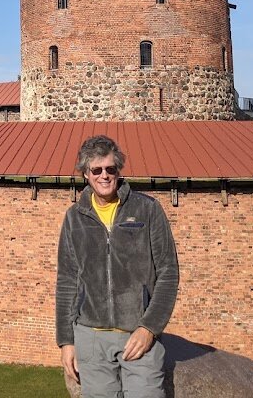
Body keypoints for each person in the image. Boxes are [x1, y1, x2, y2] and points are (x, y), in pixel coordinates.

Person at [56, 135, 179, 398]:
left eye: (110, 169)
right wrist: (66, 341)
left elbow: (168, 273)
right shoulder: (74, 218)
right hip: (91, 337)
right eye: (96, 170)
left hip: (137, 334)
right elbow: (67, 281)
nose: (104, 176)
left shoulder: (147, 210)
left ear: (118, 170)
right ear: (86, 174)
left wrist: (149, 328)